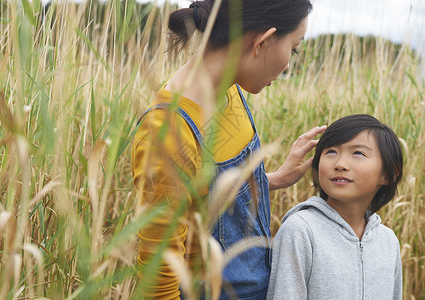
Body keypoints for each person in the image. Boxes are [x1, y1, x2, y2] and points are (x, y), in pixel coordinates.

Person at [132, 0, 325, 298]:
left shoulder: (229, 89)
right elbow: (159, 277)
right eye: (294, 48)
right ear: (262, 41)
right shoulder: (168, 132)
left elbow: (209, 194)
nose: (289, 65)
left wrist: (273, 178)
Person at [266, 114, 403, 300]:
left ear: (387, 175)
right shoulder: (301, 230)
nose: (340, 164)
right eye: (331, 151)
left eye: (358, 153)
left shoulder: (388, 241)